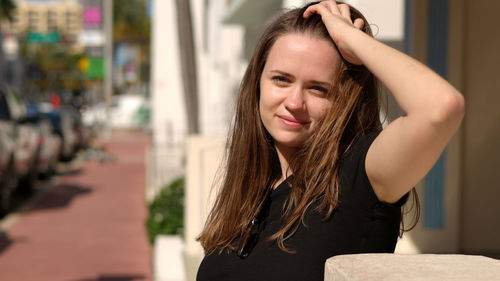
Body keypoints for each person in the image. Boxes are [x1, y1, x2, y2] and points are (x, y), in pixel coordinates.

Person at [196, 1, 465, 280]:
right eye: (281, 79)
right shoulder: (253, 187)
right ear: (258, 84)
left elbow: (440, 107)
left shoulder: (359, 173)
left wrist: (352, 39)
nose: (295, 102)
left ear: (345, 99)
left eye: (318, 89)